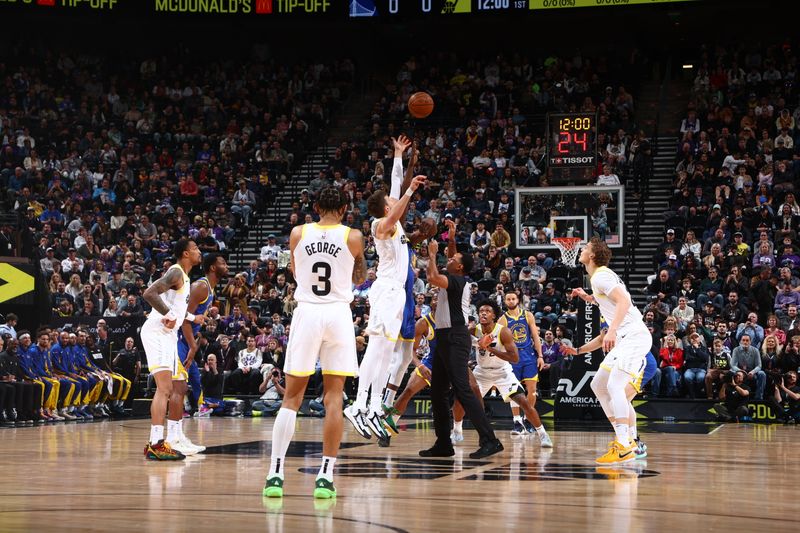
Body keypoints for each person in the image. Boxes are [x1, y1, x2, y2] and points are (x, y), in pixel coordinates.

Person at [264, 186, 366, 500]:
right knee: (334, 397)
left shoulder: (297, 233)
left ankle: (275, 474)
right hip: (337, 313)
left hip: (307, 311)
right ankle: (325, 476)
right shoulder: (354, 236)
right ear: (346, 207)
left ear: (316, 205)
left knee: (291, 398)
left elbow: (289, 269)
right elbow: (359, 277)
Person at [344, 163, 426, 442]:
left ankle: (375, 405)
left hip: (397, 295)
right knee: (376, 350)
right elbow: (395, 205)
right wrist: (411, 191)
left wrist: (399, 156)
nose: (395, 198)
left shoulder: (395, 220)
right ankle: (357, 404)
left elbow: (394, 184)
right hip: (386, 291)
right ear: (386, 208)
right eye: (391, 201)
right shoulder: (381, 224)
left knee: (386, 353)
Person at [420, 236, 503, 460]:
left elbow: (431, 276)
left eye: (453, 258)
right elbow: (450, 260)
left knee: (463, 390)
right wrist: (453, 236)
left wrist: (431, 253)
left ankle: (490, 440)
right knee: (437, 392)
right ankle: (443, 443)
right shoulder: (455, 275)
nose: (449, 258)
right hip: (444, 337)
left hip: (455, 337)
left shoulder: (457, 281)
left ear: (460, 267)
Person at [572, 237, 650, 465]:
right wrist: (591, 298)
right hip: (627, 338)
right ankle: (625, 441)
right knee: (598, 385)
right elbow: (613, 301)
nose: (582, 250)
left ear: (593, 255)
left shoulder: (601, 275)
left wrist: (612, 331)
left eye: (585, 248)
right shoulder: (599, 278)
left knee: (614, 386)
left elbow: (624, 302)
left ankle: (625, 445)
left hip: (633, 336)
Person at [140, 238, 205, 460]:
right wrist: (168, 315)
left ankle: (174, 438)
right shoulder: (176, 272)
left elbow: (175, 307)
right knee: (165, 388)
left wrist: (193, 316)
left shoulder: (185, 278)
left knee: (179, 384)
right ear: (185, 254)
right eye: (195, 248)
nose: (199, 251)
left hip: (168, 334)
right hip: (157, 332)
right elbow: (149, 293)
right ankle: (156, 444)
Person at [563, 316, 658, 459]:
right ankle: (626, 439)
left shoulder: (619, 308)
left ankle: (634, 442)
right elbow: (601, 339)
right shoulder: (603, 313)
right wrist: (577, 351)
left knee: (619, 399)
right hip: (620, 358)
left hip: (640, 360)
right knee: (601, 389)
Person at [472, 300, 552, 447]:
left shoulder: (503, 331)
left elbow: (514, 358)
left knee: (524, 402)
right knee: (462, 400)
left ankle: (543, 434)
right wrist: (477, 342)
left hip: (502, 371)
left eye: (487, 311)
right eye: (481, 310)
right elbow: (460, 340)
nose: (483, 313)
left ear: (494, 315)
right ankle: (456, 431)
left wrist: (489, 348)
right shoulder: (474, 330)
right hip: (481, 372)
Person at [174, 253, 229, 450]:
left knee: (196, 383)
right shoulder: (201, 287)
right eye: (222, 262)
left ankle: (180, 437)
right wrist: (192, 346)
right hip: (179, 339)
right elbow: (184, 320)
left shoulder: (210, 289)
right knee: (178, 388)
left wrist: (195, 341)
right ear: (213, 267)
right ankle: (173, 438)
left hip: (188, 340)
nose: (226, 265)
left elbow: (194, 323)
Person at [497, 291, 545, 435]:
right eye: (508, 299)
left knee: (532, 390)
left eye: (513, 298)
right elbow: (499, 342)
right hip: (513, 356)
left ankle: (528, 419)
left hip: (529, 355)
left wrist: (540, 356)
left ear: (518, 300)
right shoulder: (502, 320)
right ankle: (517, 421)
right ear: (505, 302)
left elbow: (536, 337)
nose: (511, 301)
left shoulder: (527, 315)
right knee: (514, 390)